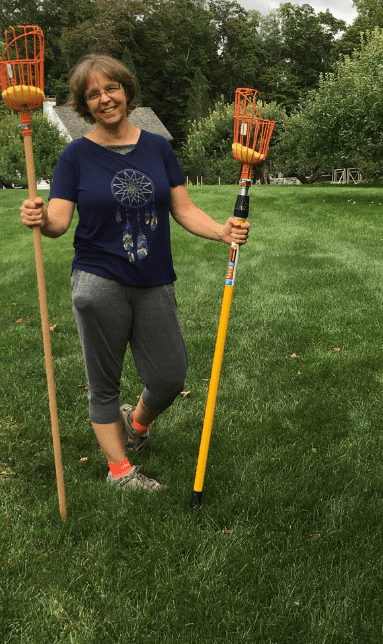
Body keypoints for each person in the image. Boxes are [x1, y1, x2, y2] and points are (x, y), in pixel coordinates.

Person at [20, 54, 250, 491]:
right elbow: (58, 223)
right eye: (93, 94)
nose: (105, 98)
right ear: (83, 105)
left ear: (126, 91)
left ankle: (137, 425)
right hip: (98, 279)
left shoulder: (158, 148)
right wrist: (39, 217)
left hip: (154, 277)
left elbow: (182, 208)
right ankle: (120, 472)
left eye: (112, 88)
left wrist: (221, 232)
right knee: (102, 383)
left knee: (168, 377)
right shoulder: (75, 157)